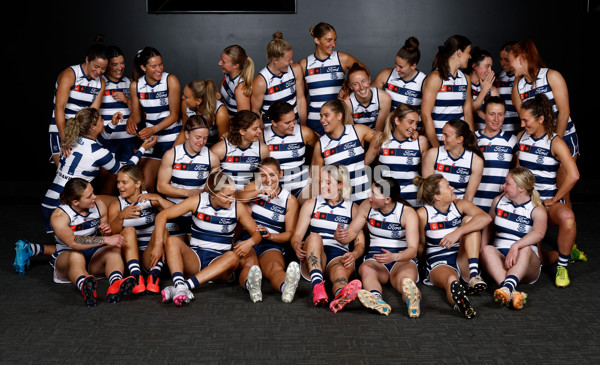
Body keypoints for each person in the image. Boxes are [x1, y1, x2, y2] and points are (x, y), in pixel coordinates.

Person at [154, 170, 263, 306]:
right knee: (172, 241)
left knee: (232, 256)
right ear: (212, 195)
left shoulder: (238, 208)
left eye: (234, 194)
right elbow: (161, 216)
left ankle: (183, 287)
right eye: (227, 196)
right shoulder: (197, 201)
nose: (232, 199)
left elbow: (257, 234)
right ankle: (180, 284)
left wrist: (250, 242)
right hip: (196, 259)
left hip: (220, 263)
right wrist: (158, 244)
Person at [41, 107, 156, 234]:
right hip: (65, 205)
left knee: (62, 247)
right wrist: (142, 149)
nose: (104, 121)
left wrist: (112, 125)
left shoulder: (71, 141)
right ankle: (116, 236)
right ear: (93, 127)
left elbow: (95, 142)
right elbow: (124, 171)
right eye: (102, 119)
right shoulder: (99, 153)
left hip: (49, 202)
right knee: (117, 203)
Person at [515, 94, 583, 287]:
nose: (522, 124)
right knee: (538, 263)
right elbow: (518, 171)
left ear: (541, 119)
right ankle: (562, 254)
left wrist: (555, 199)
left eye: (526, 120)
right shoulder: (522, 138)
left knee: (568, 218)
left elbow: (573, 175)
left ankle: (562, 266)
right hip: (527, 206)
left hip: (547, 203)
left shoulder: (555, 142)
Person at [508, 39, 579, 209]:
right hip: (536, 142)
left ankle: (568, 228)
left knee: (563, 191)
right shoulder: (518, 86)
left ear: (519, 57)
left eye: (509, 59)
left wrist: (554, 143)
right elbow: (524, 119)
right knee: (532, 190)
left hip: (563, 137)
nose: (508, 65)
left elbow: (564, 112)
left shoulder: (551, 76)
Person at [336, 177, 421, 317]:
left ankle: (412, 300)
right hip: (376, 259)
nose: (369, 196)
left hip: (402, 259)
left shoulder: (407, 213)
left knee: (405, 281)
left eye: (374, 194)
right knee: (366, 270)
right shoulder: (366, 206)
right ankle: (377, 299)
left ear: (387, 199)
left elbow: (412, 250)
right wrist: (339, 236)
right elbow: (350, 235)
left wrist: (394, 257)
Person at [414, 174, 492, 318]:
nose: (453, 188)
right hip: (439, 262)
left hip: (463, 258)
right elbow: (421, 244)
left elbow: (486, 218)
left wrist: (458, 232)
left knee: (470, 220)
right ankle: (462, 304)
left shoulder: (460, 204)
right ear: (437, 196)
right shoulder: (423, 214)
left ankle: (474, 276)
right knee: (451, 281)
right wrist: (418, 267)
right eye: (448, 186)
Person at [291, 164, 365, 313]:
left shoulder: (353, 209)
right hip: (314, 254)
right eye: (321, 182)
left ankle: (340, 295)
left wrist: (354, 254)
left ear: (340, 185)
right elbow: (297, 236)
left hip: (337, 255)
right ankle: (317, 286)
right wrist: (296, 245)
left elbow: (360, 243)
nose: (323, 186)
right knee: (314, 237)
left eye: (328, 183)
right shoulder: (312, 204)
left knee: (340, 273)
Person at [49, 178, 133, 307]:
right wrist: (105, 239)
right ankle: (86, 287)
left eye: (93, 192)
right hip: (68, 258)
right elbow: (73, 242)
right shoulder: (60, 216)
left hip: (92, 255)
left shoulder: (98, 205)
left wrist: (106, 232)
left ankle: (115, 284)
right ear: (75, 202)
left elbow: (105, 234)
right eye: (89, 196)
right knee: (76, 255)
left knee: (113, 250)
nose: (95, 197)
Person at [235, 158, 302, 303]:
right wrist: (259, 191)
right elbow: (237, 198)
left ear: (281, 174)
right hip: (249, 239)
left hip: (270, 242)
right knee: (249, 265)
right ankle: (252, 287)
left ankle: (286, 288)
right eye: (263, 175)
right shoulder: (255, 186)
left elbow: (290, 234)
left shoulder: (289, 200)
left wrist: (270, 236)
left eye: (272, 175)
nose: (268, 179)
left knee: (275, 267)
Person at [480, 167, 547, 310]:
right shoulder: (498, 201)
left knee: (526, 249)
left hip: (526, 262)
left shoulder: (536, 209)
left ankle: (506, 288)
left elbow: (539, 233)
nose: (503, 186)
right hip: (500, 260)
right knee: (487, 249)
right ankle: (510, 290)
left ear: (521, 188)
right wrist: (481, 251)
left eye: (507, 183)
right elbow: (488, 226)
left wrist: (516, 246)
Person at [108, 165, 173, 294]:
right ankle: (136, 277)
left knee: (163, 229)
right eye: (118, 182)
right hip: (130, 258)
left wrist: (160, 199)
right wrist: (121, 216)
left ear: (138, 183)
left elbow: (179, 212)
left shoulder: (148, 198)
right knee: (129, 230)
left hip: (150, 256)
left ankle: (154, 277)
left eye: (124, 182)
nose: (119, 186)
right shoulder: (117, 204)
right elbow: (112, 233)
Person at [127, 46, 182, 193]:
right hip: (153, 141)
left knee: (170, 184)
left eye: (160, 64)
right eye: (153, 66)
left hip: (172, 139)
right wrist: (131, 120)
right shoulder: (136, 85)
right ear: (143, 67)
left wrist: (153, 129)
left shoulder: (170, 80)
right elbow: (137, 116)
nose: (159, 69)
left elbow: (174, 115)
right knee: (146, 185)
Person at [157, 115, 220, 238]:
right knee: (172, 247)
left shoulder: (212, 158)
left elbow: (218, 188)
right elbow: (160, 187)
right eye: (198, 137)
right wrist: (187, 193)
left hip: (198, 212)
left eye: (205, 138)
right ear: (186, 134)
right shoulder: (171, 155)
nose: (201, 142)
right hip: (173, 209)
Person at [299, 22, 366, 136]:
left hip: (338, 118)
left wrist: (346, 86)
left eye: (335, 40)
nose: (333, 44)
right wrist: (303, 125)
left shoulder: (342, 58)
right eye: (329, 40)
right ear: (317, 40)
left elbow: (365, 73)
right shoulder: (304, 64)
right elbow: (302, 97)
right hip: (315, 121)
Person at [49, 43, 108, 166]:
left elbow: (92, 113)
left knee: (79, 174)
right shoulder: (70, 74)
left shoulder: (101, 82)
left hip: (82, 131)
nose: (99, 71)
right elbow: (59, 107)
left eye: (103, 69)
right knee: (63, 169)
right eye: (96, 66)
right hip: (61, 128)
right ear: (87, 60)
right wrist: (65, 137)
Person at [311, 99, 378, 204]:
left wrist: (368, 159)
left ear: (339, 116)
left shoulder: (357, 131)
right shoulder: (320, 145)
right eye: (321, 116)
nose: (322, 120)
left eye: (326, 115)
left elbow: (381, 138)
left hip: (364, 198)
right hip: (340, 203)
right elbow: (316, 178)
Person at [366, 104, 429, 207]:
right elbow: (364, 165)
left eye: (416, 123)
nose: (414, 127)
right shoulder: (380, 139)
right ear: (397, 121)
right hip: (388, 201)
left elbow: (427, 173)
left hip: (414, 199)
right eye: (410, 122)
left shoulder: (421, 141)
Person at [96, 45, 137, 195]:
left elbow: (138, 113)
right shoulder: (99, 83)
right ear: (107, 65)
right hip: (108, 141)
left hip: (128, 141)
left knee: (128, 186)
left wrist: (127, 100)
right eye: (115, 64)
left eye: (122, 63)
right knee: (107, 186)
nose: (120, 67)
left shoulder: (129, 82)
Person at [421, 35, 474, 147]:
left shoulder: (466, 79)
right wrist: (437, 147)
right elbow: (425, 115)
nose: (470, 56)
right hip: (438, 141)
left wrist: (471, 144)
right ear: (459, 52)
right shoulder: (436, 78)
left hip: (459, 144)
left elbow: (468, 114)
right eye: (468, 52)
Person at [262, 100, 318, 200]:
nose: (292, 125)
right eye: (287, 122)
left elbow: (320, 148)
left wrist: (313, 171)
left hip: (302, 186)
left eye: (294, 120)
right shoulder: (262, 136)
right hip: (275, 188)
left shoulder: (304, 132)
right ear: (274, 122)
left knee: (313, 204)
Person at [251, 32, 307, 127]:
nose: (291, 62)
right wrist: (263, 136)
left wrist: (303, 126)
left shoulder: (295, 69)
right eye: (288, 60)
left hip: (294, 126)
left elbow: (301, 99)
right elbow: (255, 111)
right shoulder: (261, 81)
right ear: (275, 61)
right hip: (271, 129)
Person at [473, 97, 518, 213]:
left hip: (501, 203)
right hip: (474, 202)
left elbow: (515, 170)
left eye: (500, 114)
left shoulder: (512, 140)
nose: (496, 119)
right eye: (492, 114)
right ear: (483, 115)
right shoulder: (472, 139)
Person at [422, 119, 484, 202]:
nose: (442, 138)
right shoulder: (432, 154)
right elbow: (428, 192)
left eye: (446, 135)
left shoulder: (476, 162)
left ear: (459, 139)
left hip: (460, 209)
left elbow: (468, 199)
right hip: (436, 206)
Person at [372, 36, 426, 129]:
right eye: (396, 64)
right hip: (388, 130)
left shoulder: (424, 82)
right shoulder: (387, 74)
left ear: (413, 66)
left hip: (411, 132)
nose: (396, 69)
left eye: (401, 67)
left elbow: (427, 114)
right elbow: (367, 93)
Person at [211, 110, 270, 190]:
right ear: (242, 131)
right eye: (255, 129)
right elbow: (212, 181)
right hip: (225, 195)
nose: (260, 131)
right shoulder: (220, 150)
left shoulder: (262, 150)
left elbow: (264, 178)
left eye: (259, 127)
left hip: (249, 194)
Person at [176, 79, 230, 148]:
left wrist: (205, 156)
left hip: (213, 148)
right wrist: (173, 153)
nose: (182, 97)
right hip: (193, 145)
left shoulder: (220, 112)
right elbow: (184, 131)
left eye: (186, 97)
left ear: (198, 101)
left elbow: (222, 142)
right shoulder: (185, 104)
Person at [341, 62, 391, 131]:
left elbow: (378, 131)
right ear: (350, 86)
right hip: (359, 137)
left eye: (363, 81)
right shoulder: (347, 103)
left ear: (369, 79)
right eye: (356, 84)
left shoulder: (384, 98)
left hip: (376, 137)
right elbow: (352, 134)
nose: (361, 87)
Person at [467, 47, 499, 130]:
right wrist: (484, 90)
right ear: (475, 66)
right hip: (470, 136)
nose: (490, 71)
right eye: (487, 66)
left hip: (487, 137)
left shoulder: (492, 89)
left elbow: (498, 113)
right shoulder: (464, 85)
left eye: (491, 67)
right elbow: (469, 110)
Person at [218, 45, 254, 116]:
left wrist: (223, 119)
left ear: (236, 65)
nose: (219, 63)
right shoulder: (228, 75)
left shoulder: (240, 88)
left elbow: (244, 120)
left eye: (224, 62)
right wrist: (219, 97)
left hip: (234, 124)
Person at [494, 41, 521, 133]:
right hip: (501, 129)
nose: (502, 63)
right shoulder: (497, 78)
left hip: (520, 128)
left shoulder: (522, 78)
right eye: (500, 59)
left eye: (506, 60)